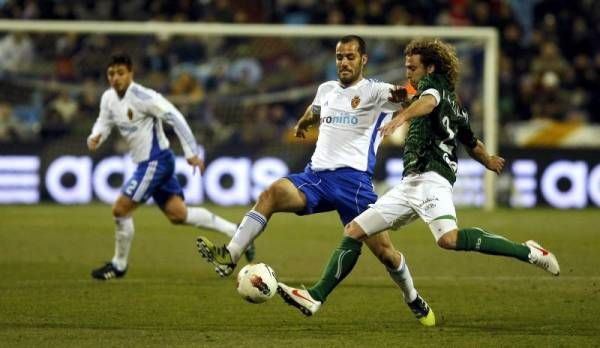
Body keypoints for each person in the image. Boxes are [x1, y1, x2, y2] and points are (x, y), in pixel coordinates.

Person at [277, 38, 560, 316]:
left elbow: (426, 103)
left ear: (430, 69)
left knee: (448, 239)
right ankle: (315, 297)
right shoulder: (456, 106)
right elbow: (472, 142)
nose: (408, 73)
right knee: (354, 230)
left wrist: (401, 118)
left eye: (412, 68)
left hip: (432, 180)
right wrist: (488, 160)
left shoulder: (432, 89)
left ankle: (528, 251)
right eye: (407, 67)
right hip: (409, 183)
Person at [196, 35, 435, 326]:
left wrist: (420, 90)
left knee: (386, 254)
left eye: (350, 56)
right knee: (271, 193)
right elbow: (316, 110)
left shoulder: (376, 92)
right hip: (315, 177)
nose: (344, 62)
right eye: (339, 57)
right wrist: (303, 123)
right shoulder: (326, 89)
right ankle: (230, 255)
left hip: (353, 184)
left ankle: (412, 297)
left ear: (364, 60)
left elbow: (406, 94)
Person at [88, 54, 253, 280]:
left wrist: (191, 152)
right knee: (178, 214)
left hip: (155, 161)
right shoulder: (108, 98)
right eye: (111, 73)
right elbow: (104, 121)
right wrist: (97, 135)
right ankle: (235, 231)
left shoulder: (144, 97)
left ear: (131, 74)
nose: (115, 78)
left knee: (120, 209)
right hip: (150, 163)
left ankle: (119, 264)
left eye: (120, 73)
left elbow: (175, 116)